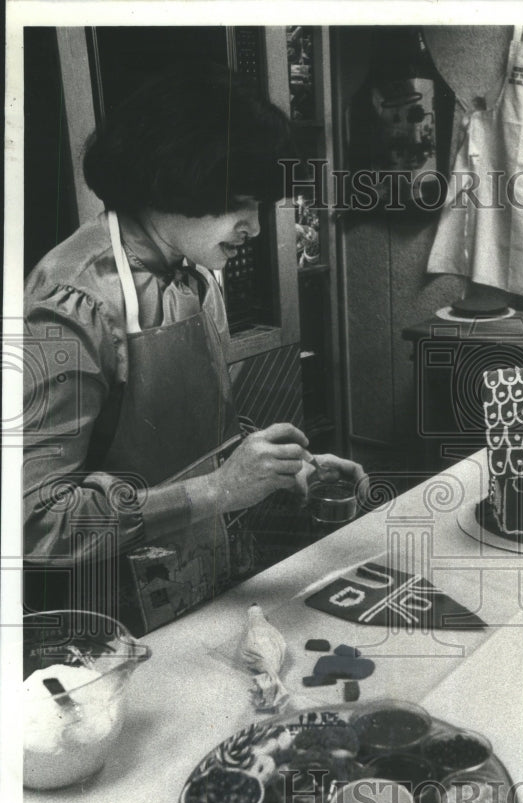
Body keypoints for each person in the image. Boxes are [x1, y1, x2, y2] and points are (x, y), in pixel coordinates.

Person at [23, 61, 365, 632]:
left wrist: (277, 469)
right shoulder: (68, 305)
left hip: (198, 585)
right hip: (103, 624)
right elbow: (32, 522)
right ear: (174, 177)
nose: (255, 227)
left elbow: (175, 433)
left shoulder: (192, 276)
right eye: (240, 202)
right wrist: (217, 489)